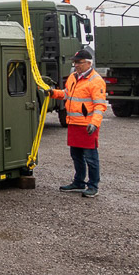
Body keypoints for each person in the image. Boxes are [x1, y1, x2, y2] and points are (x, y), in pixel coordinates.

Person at [49, 48, 107, 198]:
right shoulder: (73, 77)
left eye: (79, 62)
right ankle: (79, 182)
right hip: (74, 123)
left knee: (91, 158)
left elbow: (100, 105)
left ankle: (93, 186)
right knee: (76, 155)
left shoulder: (96, 81)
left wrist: (94, 123)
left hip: (87, 125)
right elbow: (67, 94)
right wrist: (53, 93)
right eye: (75, 62)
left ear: (88, 63)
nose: (76, 65)